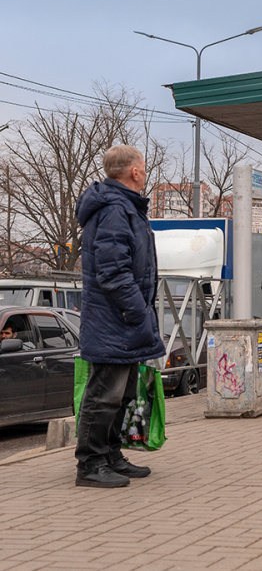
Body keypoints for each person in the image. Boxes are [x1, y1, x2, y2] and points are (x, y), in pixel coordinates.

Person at [74, 145, 166, 488]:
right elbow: (114, 273)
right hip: (115, 319)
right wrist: (136, 310)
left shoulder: (125, 208)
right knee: (104, 394)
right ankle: (90, 463)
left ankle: (111, 453)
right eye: (143, 166)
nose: (144, 171)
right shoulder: (115, 210)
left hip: (123, 320)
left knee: (123, 392)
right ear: (135, 172)